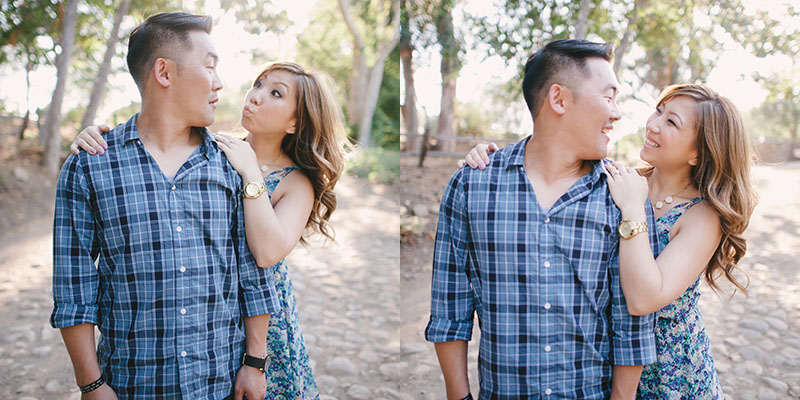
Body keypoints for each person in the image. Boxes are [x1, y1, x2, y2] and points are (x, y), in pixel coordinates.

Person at [71, 61, 348, 399]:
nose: (256, 96)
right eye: (258, 83)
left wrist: (251, 173)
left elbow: (266, 251)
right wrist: (99, 136)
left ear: (294, 122)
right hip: (213, 321)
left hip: (264, 325)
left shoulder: (295, 182)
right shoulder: (216, 151)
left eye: (275, 93)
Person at [462, 83, 757, 398]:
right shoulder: (622, 180)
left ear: (699, 152)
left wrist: (633, 210)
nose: (653, 124)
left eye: (671, 122)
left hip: (670, 375)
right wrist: (490, 158)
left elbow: (643, 299)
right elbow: (552, 168)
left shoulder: (701, 216)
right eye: (658, 111)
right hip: (606, 364)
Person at [51, 12, 279, 400]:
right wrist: (91, 384)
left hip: (219, 383)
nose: (220, 83)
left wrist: (254, 365)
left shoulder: (231, 164)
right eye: (209, 67)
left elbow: (252, 276)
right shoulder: (90, 164)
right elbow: (74, 289)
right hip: (131, 385)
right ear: (164, 72)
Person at [425, 39, 660, 400]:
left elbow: (631, 325)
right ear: (559, 99)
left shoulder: (624, 196)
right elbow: (449, 309)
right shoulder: (472, 185)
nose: (616, 114)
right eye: (608, 97)